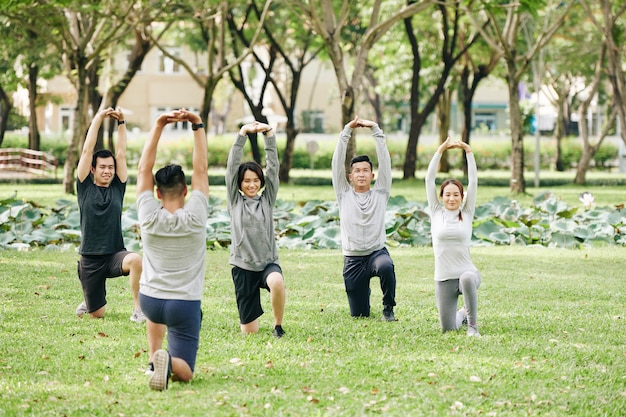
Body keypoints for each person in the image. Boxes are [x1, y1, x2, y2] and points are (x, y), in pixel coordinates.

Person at [136, 109, 209, 391]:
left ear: (157, 193)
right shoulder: (196, 216)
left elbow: (143, 170)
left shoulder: (148, 215)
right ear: (186, 191)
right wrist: (197, 125)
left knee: (155, 312)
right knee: (186, 372)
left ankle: (153, 359)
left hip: (150, 300)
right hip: (184, 303)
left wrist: (158, 125)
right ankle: (165, 361)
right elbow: (201, 170)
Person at [75, 107, 145, 323]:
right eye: (102, 167)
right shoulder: (85, 187)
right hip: (90, 258)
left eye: (111, 167)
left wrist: (122, 123)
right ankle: (91, 300)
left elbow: (122, 153)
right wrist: (98, 118)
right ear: (93, 169)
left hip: (114, 255)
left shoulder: (118, 188)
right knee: (98, 314)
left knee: (135, 260)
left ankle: (138, 310)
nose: (107, 171)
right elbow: (87, 151)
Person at [331, 116, 397, 321]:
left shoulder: (381, 193)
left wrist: (375, 129)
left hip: (376, 253)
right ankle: (362, 292)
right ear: (350, 176)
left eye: (365, 171)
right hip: (353, 259)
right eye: (357, 171)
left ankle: (388, 308)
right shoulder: (343, 193)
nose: (361, 174)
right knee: (359, 315)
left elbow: (385, 161)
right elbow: (336, 163)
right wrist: (346, 132)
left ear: (372, 175)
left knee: (386, 266)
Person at [226, 121, 286, 338]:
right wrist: (242, 133)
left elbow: (273, 167)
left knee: (277, 282)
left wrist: (269, 135)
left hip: (267, 263)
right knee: (249, 332)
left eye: (255, 180)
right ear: (239, 184)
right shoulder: (235, 202)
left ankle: (278, 326)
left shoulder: (267, 201)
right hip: (242, 267)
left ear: (261, 182)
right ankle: (252, 321)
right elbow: (232, 166)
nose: (251, 185)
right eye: (246, 181)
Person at [425, 136, 481, 337]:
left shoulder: (466, 213)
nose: (451, 198)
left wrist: (468, 151)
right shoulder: (436, 212)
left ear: (462, 196)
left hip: (467, 273)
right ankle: (463, 314)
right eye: (447, 194)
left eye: (456, 194)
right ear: (441, 197)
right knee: (448, 329)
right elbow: (429, 179)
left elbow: (473, 180)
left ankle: (473, 327)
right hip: (443, 278)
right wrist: (440, 150)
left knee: (466, 278)